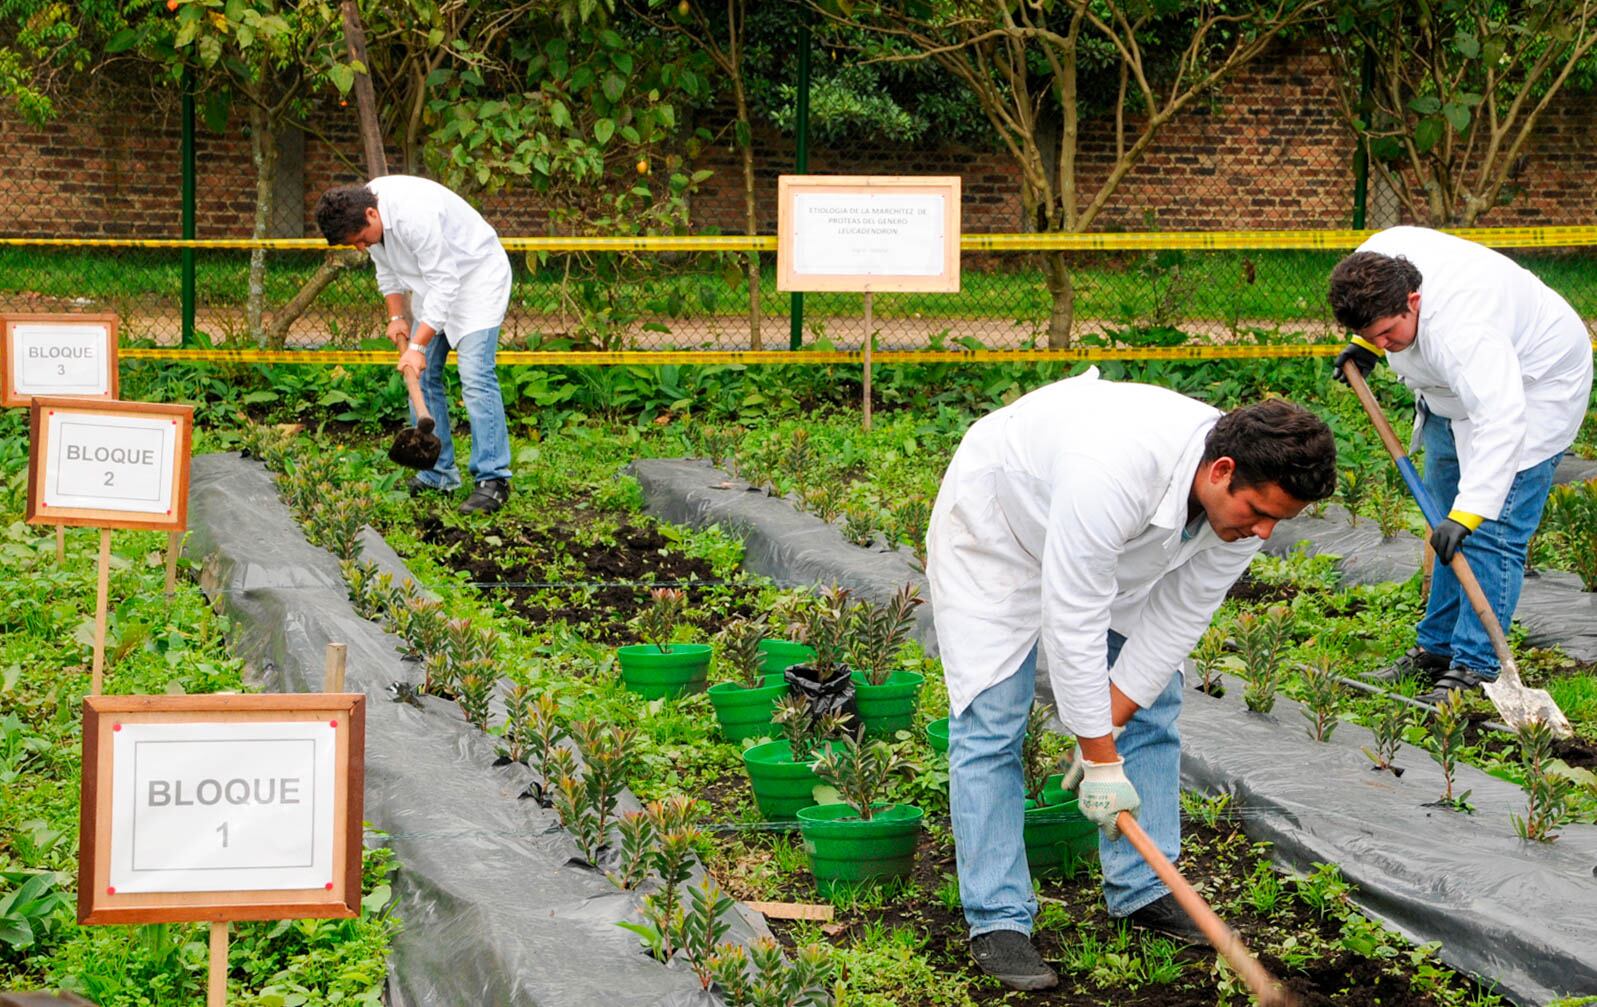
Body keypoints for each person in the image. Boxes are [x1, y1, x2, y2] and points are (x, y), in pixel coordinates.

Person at [927, 368, 1337, 991]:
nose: (1263, 532)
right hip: (1001, 528)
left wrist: (1107, 731)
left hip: (1114, 550)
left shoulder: (1246, 512)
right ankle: (998, 918)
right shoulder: (1113, 469)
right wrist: (1097, 758)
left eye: (1276, 521)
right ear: (1221, 470)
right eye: (1258, 513)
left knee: (1154, 701)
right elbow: (1073, 621)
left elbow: (1177, 620)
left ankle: (1144, 888)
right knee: (992, 719)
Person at [1329, 226, 1593, 702]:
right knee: (1440, 523)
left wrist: (1470, 513)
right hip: (1449, 395)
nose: (1384, 345)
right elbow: (1385, 325)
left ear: (1414, 300)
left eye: (1388, 334)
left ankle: (1475, 667)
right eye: (1373, 337)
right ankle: (1437, 649)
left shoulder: (1464, 331)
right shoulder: (1372, 264)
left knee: (1490, 533)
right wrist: (1366, 345)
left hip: (1534, 389)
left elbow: (1502, 420)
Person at [314, 176, 514, 514]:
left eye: (361, 240)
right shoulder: (362, 212)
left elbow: (447, 280)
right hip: (434, 286)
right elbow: (387, 271)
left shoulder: (413, 215)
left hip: (476, 279)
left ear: (371, 215)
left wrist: (417, 347)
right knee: (421, 377)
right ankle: (438, 473)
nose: (361, 248)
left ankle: (493, 480)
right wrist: (396, 319)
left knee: (476, 376)